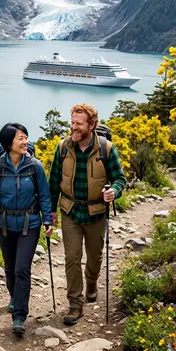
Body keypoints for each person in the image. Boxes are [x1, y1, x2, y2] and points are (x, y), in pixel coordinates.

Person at [49, 104, 126, 325]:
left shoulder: (106, 149)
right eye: (72, 122)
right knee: (72, 258)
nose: (73, 127)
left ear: (92, 125)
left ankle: (91, 284)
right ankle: (75, 304)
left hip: (96, 212)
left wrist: (115, 191)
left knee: (94, 257)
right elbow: (53, 181)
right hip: (70, 211)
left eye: (78, 124)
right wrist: (50, 212)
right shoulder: (63, 147)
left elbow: (120, 178)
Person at [0, 123, 53, 337]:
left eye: (26, 137)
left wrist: (47, 219)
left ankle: (19, 316)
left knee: (22, 268)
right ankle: (15, 297)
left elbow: (45, 195)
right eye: (20, 138)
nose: (25, 141)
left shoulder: (34, 166)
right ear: (8, 143)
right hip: (4, 225)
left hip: (29, 224)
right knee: (10, 269)